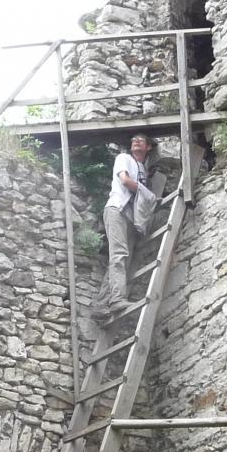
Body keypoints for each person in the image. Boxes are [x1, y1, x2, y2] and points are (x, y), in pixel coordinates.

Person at [94, 134, 152, 318]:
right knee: (119, 254)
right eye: (134, 140)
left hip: (132, 217)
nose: (136, 141)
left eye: (141, 140)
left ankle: (101, 305)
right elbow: (125, 181)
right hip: (117, 209)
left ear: (148, 147)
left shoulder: (143, 170)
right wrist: (148, 195)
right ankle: (117, 299)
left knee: (123, 259)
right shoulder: (124, 158)